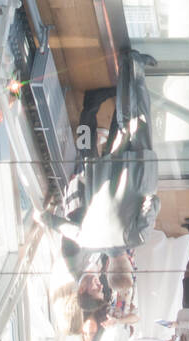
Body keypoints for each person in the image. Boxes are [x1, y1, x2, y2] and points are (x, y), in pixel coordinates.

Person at [41, 48, 160, 257]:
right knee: (109, 131)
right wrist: (45, 219)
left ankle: (95, 100)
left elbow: (153, 203)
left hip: (106, 172)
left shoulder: (131, 239)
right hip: (98, 173)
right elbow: (69, 229)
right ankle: (97, 99)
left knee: (114, 129)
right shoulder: (90, 240)